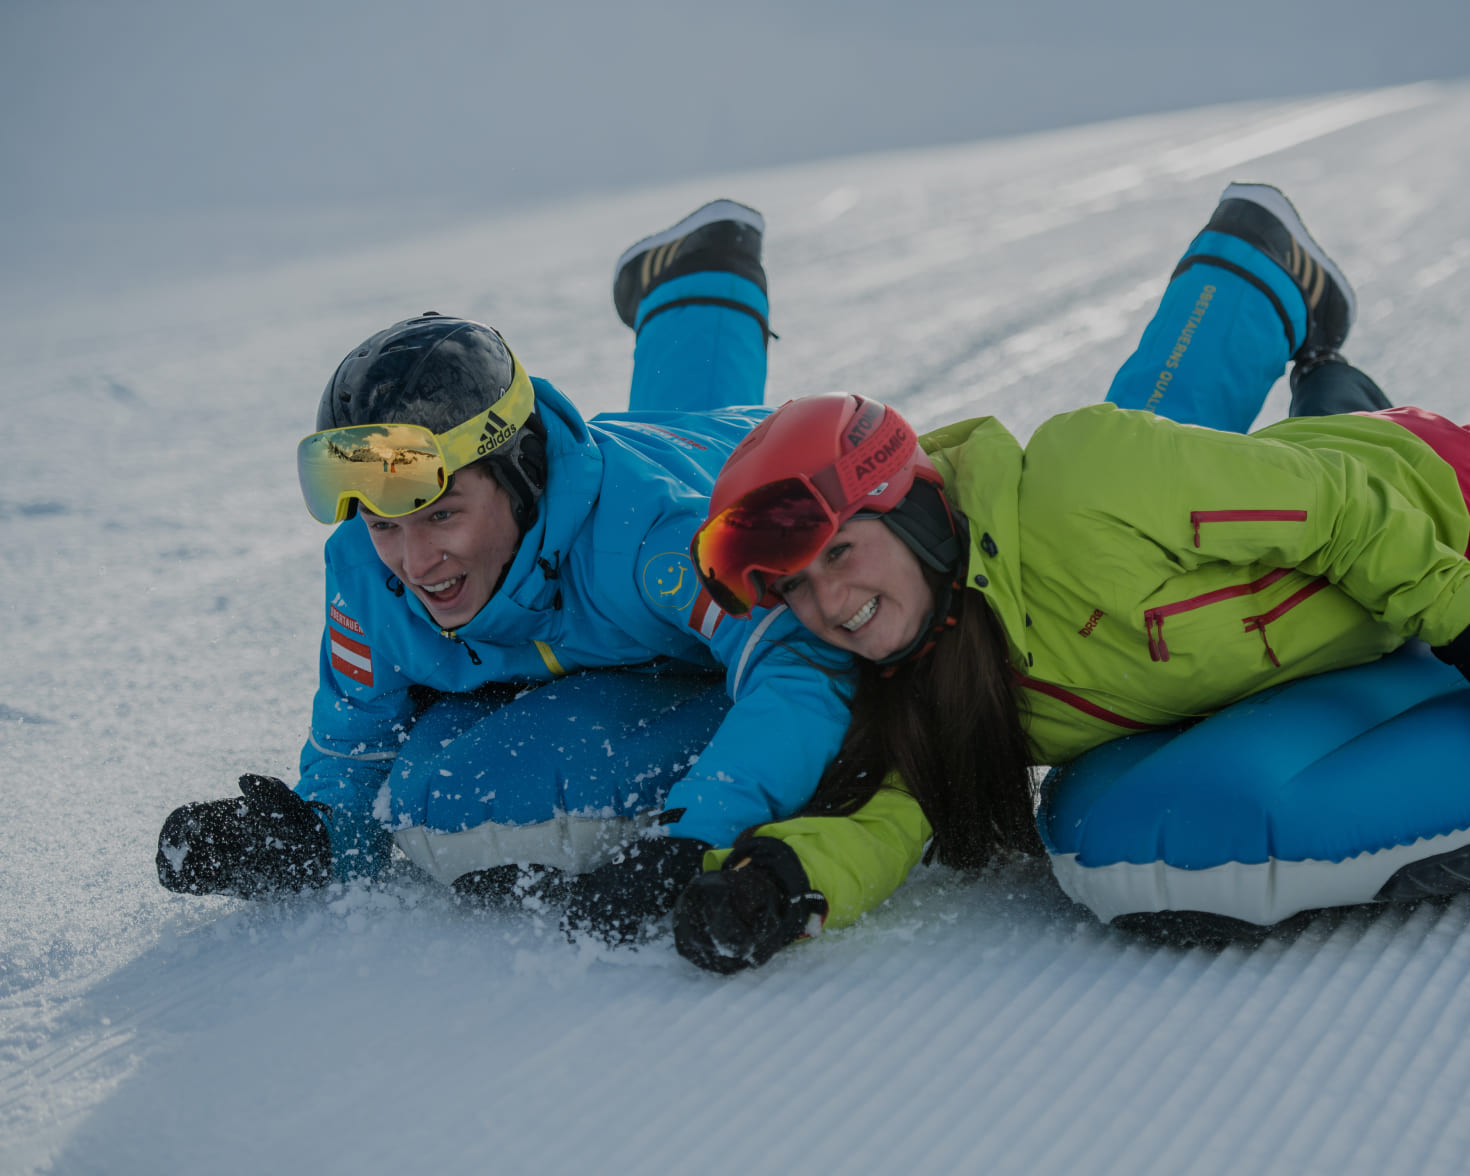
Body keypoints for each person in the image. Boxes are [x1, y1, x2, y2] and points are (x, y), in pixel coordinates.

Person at [672, 182, 1470, 973]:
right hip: (1330, 608)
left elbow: (1340, 513)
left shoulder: (1083, 481)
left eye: (839, 553)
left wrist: (1460, 617)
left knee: (1290, 461)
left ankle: (1266, 276)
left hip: (1441, 495)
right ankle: (1314, 355)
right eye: (797, 587)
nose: (828, 605)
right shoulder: (931, 674)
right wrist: (782, 880)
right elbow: (890, 818)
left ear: (911, 511)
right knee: (1287, 453)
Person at [155, 200, 853, 944]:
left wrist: (693, 836)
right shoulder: (368, 576)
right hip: (625, 537)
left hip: (732, 470)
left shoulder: (659, 540)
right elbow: (356, 756)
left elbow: (803, 664)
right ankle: (703, 266)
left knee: (706, 431)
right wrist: (305, 839)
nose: (417, 562)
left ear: (523, 474)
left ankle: (711, 278)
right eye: (386, 524)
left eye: (443, 515)